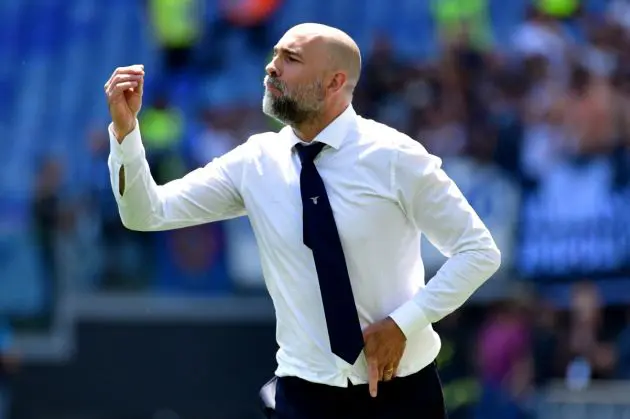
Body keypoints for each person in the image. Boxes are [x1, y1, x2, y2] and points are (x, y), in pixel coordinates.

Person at [104, 23, 501, 419]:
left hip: (402, 390)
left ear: (334, 82)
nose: (271, 67)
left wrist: (403, 324)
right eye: (274, 55)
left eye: (290, 59)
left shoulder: (395, 156)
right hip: (302, 396)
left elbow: (479, 251)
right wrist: (125, 134)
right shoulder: (253, 161)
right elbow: (146, 214)